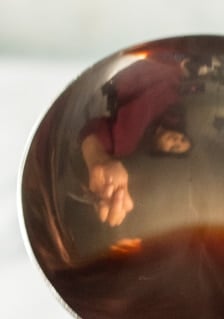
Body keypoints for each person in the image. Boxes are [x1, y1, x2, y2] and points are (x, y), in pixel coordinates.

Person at [79, 55, 194, 227]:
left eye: (175, 147)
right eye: (183, 138)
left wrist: (98, 162)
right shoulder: (174, 112)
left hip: (124, 57)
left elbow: (91, 133)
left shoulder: (128, 142)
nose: (176, 140)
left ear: (163, 152)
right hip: (167, 53)